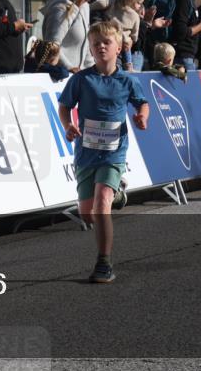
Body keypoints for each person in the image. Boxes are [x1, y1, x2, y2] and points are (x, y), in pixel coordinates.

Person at [57, 21, 149, 284]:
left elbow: (142, 103)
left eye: (106, 42)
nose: (100, 47)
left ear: (118, 48)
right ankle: (118, 194)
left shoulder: (127, 81)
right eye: (95, 43)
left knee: (100, 206)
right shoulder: (81, 79)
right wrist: (68, 125)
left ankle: (104, 262)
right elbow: (64, 107)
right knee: (87, 214)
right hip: (86, 153)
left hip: (113, 153)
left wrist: (142, 117)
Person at [41, 0, 99, 71]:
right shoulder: (61, 9)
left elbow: (85, 45)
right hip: (60, 74)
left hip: (77, 74)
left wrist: (93, 68)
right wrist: (69, 67)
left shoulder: (85, 7)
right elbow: (52, 45)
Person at [107, 0, 143, 71]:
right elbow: (135, 35)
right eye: (138, 2)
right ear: (131, 0)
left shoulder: (112, 5)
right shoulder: (135, 16)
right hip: (124, 43)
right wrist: (132, 39)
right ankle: (128, 65)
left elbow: (100, 4)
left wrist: (90, 6)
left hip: (112, 40)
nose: (140, 6)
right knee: (127, 44)